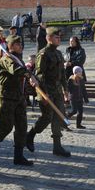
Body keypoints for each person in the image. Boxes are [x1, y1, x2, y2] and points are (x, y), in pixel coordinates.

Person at [0, 35, 38, 166]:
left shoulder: (19, 60)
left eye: (20, 43)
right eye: (17, 44)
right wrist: (29, 75)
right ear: (10, 46)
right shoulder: (6, 59)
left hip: (19, 98)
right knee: (6, 126)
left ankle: (18, 156)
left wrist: (32, 77)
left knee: (22, 126)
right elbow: (15, 70)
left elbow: (23, 71)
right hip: (7, 97)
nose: (21, 46)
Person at [26, 27, 72, 158]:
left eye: (59, 37)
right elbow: (39, 76)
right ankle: (30, 135)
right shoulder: (43, 53)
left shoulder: (58, 53)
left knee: (58, 117)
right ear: (49, 38)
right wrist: (45, 94)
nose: (59, 39)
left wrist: (65, 90)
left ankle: (57, 146)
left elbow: (62, 74)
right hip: (46, 91)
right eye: (56, 37)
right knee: (47, 118)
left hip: (57, 91)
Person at [65, 36, 88, 104]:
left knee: (79, 87)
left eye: (72, 41)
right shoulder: (68, 49)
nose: (70, 43)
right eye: (70, 41)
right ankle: (68, 100)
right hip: (68, 71)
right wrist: (65, 63)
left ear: (76, 42)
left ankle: (83, 100)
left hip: (77, 72)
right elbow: (65, 58)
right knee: (68, 87)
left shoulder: (81, 50)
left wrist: (71, 63)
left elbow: (81, 61)